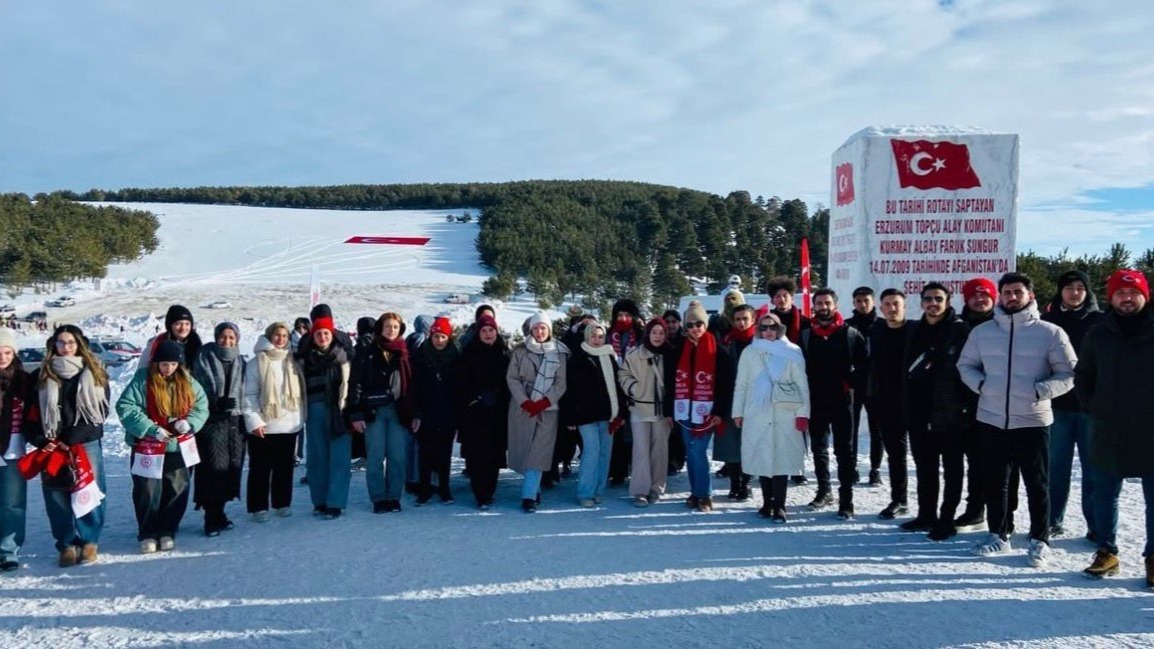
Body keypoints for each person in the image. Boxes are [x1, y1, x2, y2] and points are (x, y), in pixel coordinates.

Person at [957, 272, 1076, 566]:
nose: (1012, 297)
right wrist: (982, 386)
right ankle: (999, 535)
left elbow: (1069, 373)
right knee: (996, 482)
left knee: (1037, 483)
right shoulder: (983, 332)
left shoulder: (1050, 333)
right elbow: (966, 365)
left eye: (1017, 292)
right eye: (1007, 292)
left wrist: (1041, 390)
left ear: (1030, 296)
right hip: (991, 418)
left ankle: (1039, 539)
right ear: (1000, 296)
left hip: (1033, 420)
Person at [1075, 269, 1154, 584]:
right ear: (1111, 297)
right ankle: (1106, 551)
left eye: (1134, 293)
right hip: (1109, 427)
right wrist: (1093, 407)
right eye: (1121, 293)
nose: (1127, 298)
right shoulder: (1098, 333)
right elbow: (1084, 376)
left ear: (1145, 296)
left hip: (1151, 427)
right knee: (1105, 494)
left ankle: (1153, 557)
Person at [117, 340, 209, 553]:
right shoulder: (142, 380)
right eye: (164, 364)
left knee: (176, 488)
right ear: (156, 362)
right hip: (147, 445)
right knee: (147, 490)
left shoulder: (187, 381)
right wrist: (150, 428)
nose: (169, 369)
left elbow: (201, 406)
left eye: (173, 364)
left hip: (177, 446)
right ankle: (148, 532)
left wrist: (190, 423)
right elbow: (126, 406)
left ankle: (168, 529)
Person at [29, 325, 110, 566]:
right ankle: (65, 544)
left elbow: (100, 413)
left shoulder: (95, 373)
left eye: (71, 342)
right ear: (54, 345)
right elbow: (30, 413)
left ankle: (89, 540)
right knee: (56, 494)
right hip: (51, 444)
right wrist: (42, 440)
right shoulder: (41, 375)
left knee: (89, 490)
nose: (66, 347)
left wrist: (71, 437)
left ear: (80, 345)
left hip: (84, 442)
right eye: (61, 342)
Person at [903, 283, 973, 542]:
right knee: (925, 468)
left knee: (952, 470)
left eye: (938, 299)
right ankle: (926, 514)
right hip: (919, 411)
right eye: (928, 299)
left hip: (951, 412)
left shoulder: (959, 330)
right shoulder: (915, 329)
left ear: (948, 300)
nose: (933, 303)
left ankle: (946, 520)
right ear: (921, 302)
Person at [1041, 270, 1103, 540]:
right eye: (1069, 287)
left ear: (1087, 292)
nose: (1075, 292)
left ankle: (1095, 524)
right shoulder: (1048, 321)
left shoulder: (1101, 321)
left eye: (1080, 287)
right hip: (1058, 406)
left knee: (1094, 470)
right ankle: (1053, 519)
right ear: (1061, 290)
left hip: (1091, 408)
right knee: (1056, 467)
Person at [732, 312, 810, 524]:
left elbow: (802, 385)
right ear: (758, 329)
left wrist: (803, 414)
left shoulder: (792, 351)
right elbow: (742, 384)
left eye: (772, 327)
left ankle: (780, 506)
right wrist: (737, 412)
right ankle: (767, 503)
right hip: (757, 412)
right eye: (764, 327)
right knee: (762, 457)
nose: (768, 331)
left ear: (780, 329)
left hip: (785, 411)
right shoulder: (750, 352)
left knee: (781, 459)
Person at [801, 289, 867, 520]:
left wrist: (850, 383)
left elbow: (864, 366)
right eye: (819, 303)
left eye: (827, 303)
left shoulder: (850, 334)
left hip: (842, 401)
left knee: (844, 450)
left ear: (835, 305)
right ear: (814, 306)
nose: (823, 307)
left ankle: (846, 499)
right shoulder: (807, 335)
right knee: (819, 448)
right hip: (816, 400)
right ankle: (824, 491)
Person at [666, 301, 733, 513]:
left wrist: (720, 412)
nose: (695, 328)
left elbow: (726, 385)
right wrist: (669, 411)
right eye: (691, 324)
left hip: (707, 411)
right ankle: (696, 493)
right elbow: (670, 383)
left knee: (698, 451)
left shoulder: (718, 351)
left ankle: (705, 494)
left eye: (699, 324)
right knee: (690, 452)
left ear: (705, 324)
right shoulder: (678, 351)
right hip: (684, 409)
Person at [348, 312, 413, 513]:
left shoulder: (405, 353)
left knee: (397, 456)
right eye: (387, 326)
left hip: (398, 411)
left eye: (395, 327)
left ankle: (394, 497)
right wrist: (356, 413)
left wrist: (416, 413)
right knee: (375, 457)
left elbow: (413, 385)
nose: (391, 330)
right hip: (373, 411)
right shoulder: (368, 352)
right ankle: (378, 498)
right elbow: (356, 383)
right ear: (380, 328)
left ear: (400, 329)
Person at [506, 312, 569, 512]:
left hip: (547, 409)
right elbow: (512, 378)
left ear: (549, 330)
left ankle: (529, 496)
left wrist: (544, 402)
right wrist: (525, 402)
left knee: (539, 452)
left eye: (543, 328)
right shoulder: (520, 351)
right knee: (525, 449)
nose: (540, 332)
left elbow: (561, 383)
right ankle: (532, 487)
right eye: (536, 328)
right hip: (522, 407)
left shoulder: (558, 352)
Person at [242, 323, 305, 523]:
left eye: (285, 336)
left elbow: (300, 393)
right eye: (277, 335)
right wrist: (254, 421)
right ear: (269, 336)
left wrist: (300, 418)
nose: (281, 339)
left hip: (289, 423)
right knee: (260, 468)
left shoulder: (292, 360)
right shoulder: (256, 362)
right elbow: (248, 394)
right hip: (264, 425)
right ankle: (258, 507)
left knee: (284, 467)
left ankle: (282, 502)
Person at [562, 320, 627, 507]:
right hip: (585, 415)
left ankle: (598, 490)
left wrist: (621, 412)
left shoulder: (609, 357)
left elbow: (618, 386)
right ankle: (585, 492)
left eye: (600, 336)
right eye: (593, 336)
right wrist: (570, 416)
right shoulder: (578, 358)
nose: (597, 340)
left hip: (608, 415)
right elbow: (570, 391)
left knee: (605, 454)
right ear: (586, 336)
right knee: (591, 452)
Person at [190, 322, 247, 535]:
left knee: (230, 469)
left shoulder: (242, 361)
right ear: (216, 337)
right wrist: (215, 403)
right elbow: (194, 391)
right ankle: (210, 517)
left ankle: (220, 513)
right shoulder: (204, 358)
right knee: (212, 469)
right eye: (223, 337)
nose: (227, 341)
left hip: (234, 422)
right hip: (210, 422)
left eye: (231, 337)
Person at [955, 278, 1000, 530]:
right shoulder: (959, 327)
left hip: (998, 402)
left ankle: (1002, 514)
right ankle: (975, 509)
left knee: (997, 464)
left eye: (985, 295)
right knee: (974, 460)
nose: (980, 300)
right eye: (974, 296)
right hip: (965, 403)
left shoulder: (1003, 325)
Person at [454, 315, 510, 509]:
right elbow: (461, 383)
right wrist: (475, 399)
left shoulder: (504, 353)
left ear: (496, 332)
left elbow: (510, 382)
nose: (487, 334)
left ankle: (490, 491)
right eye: (484, 331)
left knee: (494, 455)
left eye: (491, 330)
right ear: (478, 333)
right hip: (475, 413)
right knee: (477, 455)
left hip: (498, 413)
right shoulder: (469, 354)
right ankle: (480, 494)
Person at [300, 315, 352, 519]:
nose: (322, 337)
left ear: (333, 335)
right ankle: (319, 501)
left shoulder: (344, 357)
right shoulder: (304, 359)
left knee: (339, 458)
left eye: (326, 333)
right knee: (317, 458)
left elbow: (351, 384)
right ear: (313, 336)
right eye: (319, 333)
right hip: (314, 410)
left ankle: (336, 502)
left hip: (339, 411)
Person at [618, 318, 673, 506]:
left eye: (661, 333)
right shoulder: (635, 355)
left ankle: (657, 487)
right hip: (640, 408)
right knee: (640, 450)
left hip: (662, 410)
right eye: (654, 332)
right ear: (648, 333)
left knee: (660, 450)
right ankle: (640, 489)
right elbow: (623, 374)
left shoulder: (671, 354)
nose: (657, 336)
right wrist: (634, 388)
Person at [868, 289, 912, 521]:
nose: (892, 308)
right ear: (881, 307)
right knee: (896, 454)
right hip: (887, 402)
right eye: (887, 304)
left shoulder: (915, 330)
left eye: (896, 304)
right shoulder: (877, 331)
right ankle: (899, 499)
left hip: (916, 402)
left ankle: (929, 506)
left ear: (904, 306)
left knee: (927, 458)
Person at [410, 316, 459, 505]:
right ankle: (425, 488)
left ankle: (445, 488)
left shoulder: (455, 357)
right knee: (425, 452)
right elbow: (414, 387)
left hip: (448, 412)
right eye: (436, 336)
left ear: (449, 338)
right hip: (426, 412)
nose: (439, 340)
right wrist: (416, 412)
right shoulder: (421, 356)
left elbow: (460, 388)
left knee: (445, 453)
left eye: (443, 337)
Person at [716, 303, 758, 501]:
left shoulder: (759, 343)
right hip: (730, 399)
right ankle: (734, 482)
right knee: (731, 445)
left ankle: (746, 482)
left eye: (745, 319)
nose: (741, 323)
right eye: (738, 319)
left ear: (753, 320)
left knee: (750, 443)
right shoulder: (726, 342)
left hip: (755, 400)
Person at [0, 329, 34, 571]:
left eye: (7, 351)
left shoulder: (24, 380)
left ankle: (8, 550)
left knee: (12, 504)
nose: (2, 356)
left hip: (12, 451)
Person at [847, 286, 884, 486]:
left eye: (866, 301)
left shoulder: (882, 326)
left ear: (873, 302)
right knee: (850, 429)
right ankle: (851, 467)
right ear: (854, 303)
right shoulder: (847, 326)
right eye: (859, 301)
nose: (863, 305)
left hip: (877, 386)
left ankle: (875, 469)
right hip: (853, 385)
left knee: (876, 430)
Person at [607, 299, 644, 487]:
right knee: (617, 431)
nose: (623, 319)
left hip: (636, 388)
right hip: (612, 388)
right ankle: (617, 471)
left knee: (634, 432)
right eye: (620, 315)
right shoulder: (608, 334)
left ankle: (633, 467)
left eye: (627, 315)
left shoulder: (640, 335)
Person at [767, 276, 811, 345]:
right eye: (778, 296)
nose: (782, 299)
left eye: (785, 295)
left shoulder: (805, 322)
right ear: (772, 301)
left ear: (792, 299)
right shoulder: (767, 322)